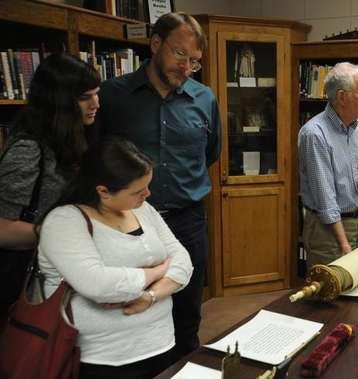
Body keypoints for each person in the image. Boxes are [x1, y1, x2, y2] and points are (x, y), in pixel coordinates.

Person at [88, 12, 221, 359]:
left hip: (186, 220)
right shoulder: (112, 96)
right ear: (156, 44)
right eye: (180, 55)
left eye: (194, 61)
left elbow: (211, 152)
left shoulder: (204, 99)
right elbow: (94, 157)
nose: (186, 67)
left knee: (188, 310)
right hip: (125, 224)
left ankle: (184, 365)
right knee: (130, 305)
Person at [38, 138, 193, 379]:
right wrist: (157, 271)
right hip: (102, 358)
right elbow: (99, 285)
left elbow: (184, 262)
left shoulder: (143, 209)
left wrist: (150, 297)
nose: (148, 194)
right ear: (103, 192)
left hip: (161, 342)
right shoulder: (64, 221)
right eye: (138, 191)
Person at [0, 53, 100, 319]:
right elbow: (2, 229)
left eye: (96, 94)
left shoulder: (71, 138)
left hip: (59, 271)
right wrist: (61, 231)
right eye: (85, 97)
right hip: (27, 281)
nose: (96, 103)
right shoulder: (28, 149)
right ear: (59, 102)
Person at [298, 62, 358, 268]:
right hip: (331, 231)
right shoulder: (315, 134)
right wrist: (343, 243)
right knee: (332, 294)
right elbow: (325, 199)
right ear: (342, 97)